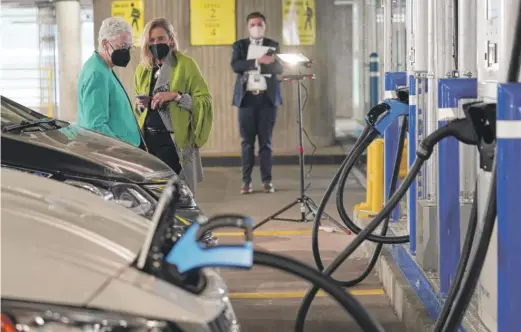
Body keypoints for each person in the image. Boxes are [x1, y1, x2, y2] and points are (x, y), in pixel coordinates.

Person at [134, 17, 213, 196]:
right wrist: (142, 105)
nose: (156, 43)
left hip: (174, 143)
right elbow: (139, 112)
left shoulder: (186, 65)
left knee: (177, 196)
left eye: (161, 39)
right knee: (153, 196)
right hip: (148, 143)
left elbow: (204, 102)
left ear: (170, 39)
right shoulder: (143, 69)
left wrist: (177, 96)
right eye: (151, 40)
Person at [231, 12, 284, 195]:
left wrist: (268, 63)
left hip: (267, 100)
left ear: (265, 25)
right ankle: (246, 182)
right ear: (248, 27)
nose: (256, 27)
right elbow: (235, 65)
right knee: (247, 143)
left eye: (260, 24)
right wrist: (257, 61)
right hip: (247, 100)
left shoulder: (273, 45)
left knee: (266, 143)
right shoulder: (240, 45)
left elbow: (279, 67)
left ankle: (267, 181)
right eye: (253, 24)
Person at [77, 17, 145, 149]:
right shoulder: (97, 74)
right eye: (122, 47)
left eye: (129, 47)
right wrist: (122, 148)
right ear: (105, 44)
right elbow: (96, 126)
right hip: (117, 151)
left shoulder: (103, 68)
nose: (126, 52)